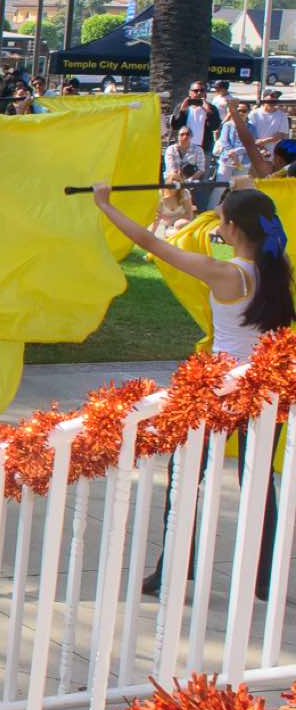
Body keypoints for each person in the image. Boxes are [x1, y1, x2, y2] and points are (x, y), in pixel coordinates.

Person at [93, 183, 296, 598]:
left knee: (185, 477)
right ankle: (265, 578)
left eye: (221, 221)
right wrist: (236, 204)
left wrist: (105, 205)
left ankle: (173, 568)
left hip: (220, 389)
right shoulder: (277, 266)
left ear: (234, 228)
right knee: (259, 483)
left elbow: (151, 242)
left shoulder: (225, 273)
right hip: (264, 387)